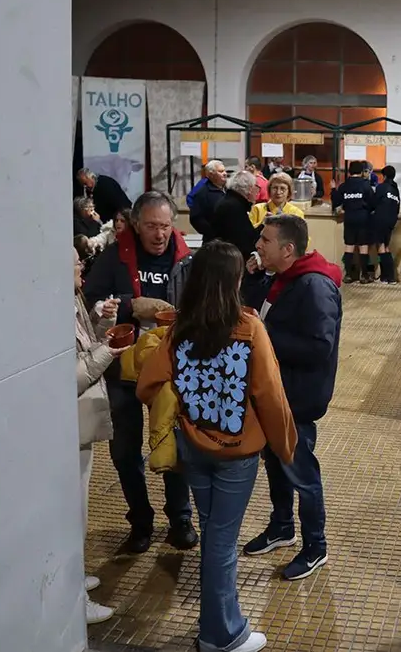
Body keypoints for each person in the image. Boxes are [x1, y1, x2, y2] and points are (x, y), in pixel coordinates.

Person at [133, 240, 298, 652]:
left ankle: (221, 626)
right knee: (222, 545)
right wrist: (285, 446)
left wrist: (182, 403)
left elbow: (147, 384)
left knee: (213, 537)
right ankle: (221, 636)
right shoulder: (248, 328)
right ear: (235, 281)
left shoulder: (180, 328)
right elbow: (270, 394)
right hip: (236, 457)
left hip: (193, 447)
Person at [82, 190, 197, 554]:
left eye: (165, 226)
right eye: (151, 226)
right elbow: (89, 302)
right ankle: (141, 520)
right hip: (123, 371)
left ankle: (180, 518)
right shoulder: (114, 256)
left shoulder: (186, 259)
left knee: (174, 445)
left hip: (171, 370)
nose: (159, 234)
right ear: (135, 224)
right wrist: (132, 305)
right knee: (124, 452)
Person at [240, 214, 343, 582]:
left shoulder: (314, 286)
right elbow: (258, 311)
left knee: (301, 471)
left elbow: (319, 347)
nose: (257, 245)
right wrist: (253, 277)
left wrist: (263, 336)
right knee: (277, 463)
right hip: (275, 391)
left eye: (265, 241)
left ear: (287, 249)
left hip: (297, 398)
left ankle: (316, 545)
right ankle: (282, 526)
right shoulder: (281, 279)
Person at [73, 248, 126, 626]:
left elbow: (84, 342)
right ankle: (71, 602)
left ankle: (74, 577)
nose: (82, 266)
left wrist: (97, 320)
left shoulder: (73, 299)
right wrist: (109, 351)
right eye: (76, 262)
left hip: (81, 424)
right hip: (68, 424)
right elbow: (69, 374)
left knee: (80, 508)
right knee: (70, 512)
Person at [331, 160, 376, 284]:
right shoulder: (366, 185)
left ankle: (349, 275)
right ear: (362, 172)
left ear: (349, 172)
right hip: (363, 218)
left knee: (349, 246)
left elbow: (336, 202)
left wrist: (333, 189)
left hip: (349, 218)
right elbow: (373, 203)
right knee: (363, 246)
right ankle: (364, 275)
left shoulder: (344, 186)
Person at [209, 170, 261, 260]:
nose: (257, 192)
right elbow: (246, 241)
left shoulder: (230, 201)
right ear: (249, 189)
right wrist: (264, 225)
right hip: (228, 261)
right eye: (256, 187)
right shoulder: (234, 207)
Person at [371, 166, 401, 284]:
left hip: (380, 219)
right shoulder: (395, 189)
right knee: (386, 247)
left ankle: (387, 277)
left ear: (384, 176)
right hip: (391, 221)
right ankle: (390, 276)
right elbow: (397, 206)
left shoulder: (381, 187)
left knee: (381, 247)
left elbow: (373, 203)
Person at [189, 160, 229, 237]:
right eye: (220, 171)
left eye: (224, 171)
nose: (225, 174)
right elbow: (196, 218)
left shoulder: (229, 190)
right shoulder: (203, 193)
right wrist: (212, 232)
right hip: (214, 240)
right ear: (211, 175)